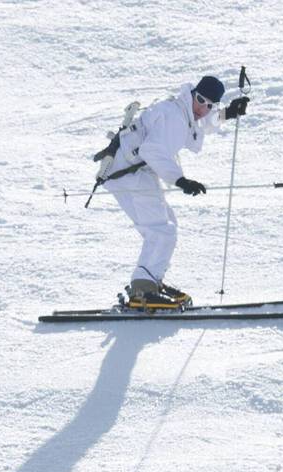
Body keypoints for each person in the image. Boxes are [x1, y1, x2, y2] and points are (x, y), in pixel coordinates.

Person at [99, 75, 249, 307]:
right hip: (129, 173)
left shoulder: (183, 111)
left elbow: (199, 125)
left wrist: (227, 113)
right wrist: (180, 181)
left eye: (210, 105)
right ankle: (143, 290)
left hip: (132, 172)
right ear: (192, 93)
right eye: (200, 100)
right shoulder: (174, 116)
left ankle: (151, 281)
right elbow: (152, 150)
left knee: (167, 223)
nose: (203, 108)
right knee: (161, 230)